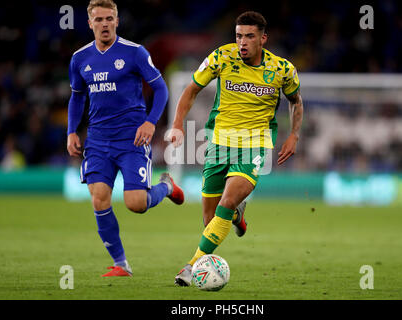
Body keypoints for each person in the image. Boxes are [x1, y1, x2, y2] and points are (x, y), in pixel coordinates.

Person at [168, 11, 304, 286]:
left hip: (255, 144)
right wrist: (178, 124)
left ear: (263, 39)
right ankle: (237, 218)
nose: (242, 42)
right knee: (211, 218)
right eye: (239, 36)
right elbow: (191, 90)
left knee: (227, 202)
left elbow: (296, 101)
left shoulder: (282, 70)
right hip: (219, 143)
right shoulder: (221, 57)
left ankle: (191, 267)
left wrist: (294, 135)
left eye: (249, 36)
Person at [66, 0, 184, 277]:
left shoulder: (135, 53)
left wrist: (150, 122)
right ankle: (121, 264)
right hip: (97, 141)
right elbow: (77, 96)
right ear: (90, 23)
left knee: (136, 204)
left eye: (109, 18)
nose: (104, 24)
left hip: (132, 140)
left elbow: (161, 89)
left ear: (117, 21)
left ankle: (166, 186)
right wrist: (72, 130)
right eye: (99, 19)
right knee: (99, 199)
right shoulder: (79, 58)